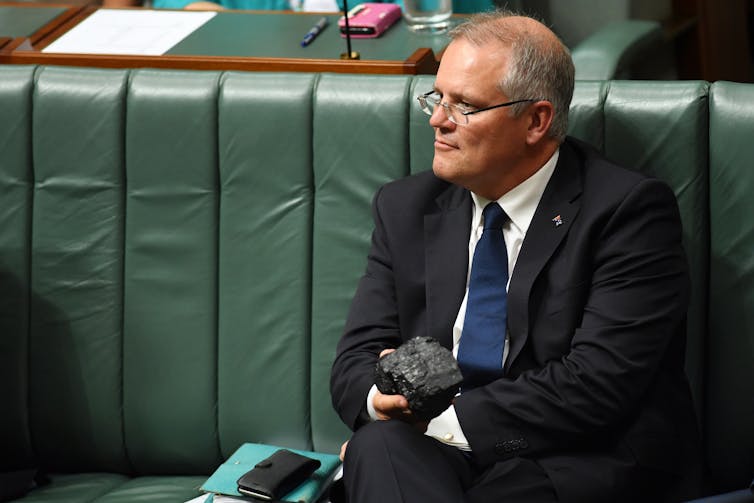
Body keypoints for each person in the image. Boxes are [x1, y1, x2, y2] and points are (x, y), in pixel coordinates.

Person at [329, 10, 702, 503]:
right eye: (437, 98)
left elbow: (596, 384)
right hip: (440, 454)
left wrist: (435, 423)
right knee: (378, 444)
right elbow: (355, 362)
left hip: (575, 458)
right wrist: (384, 400)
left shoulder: (627, 212)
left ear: (535, 120)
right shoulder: (404, 207)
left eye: (464, 106)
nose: (438, 120)